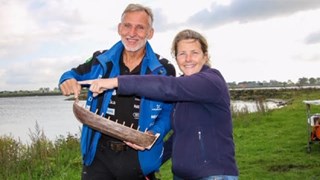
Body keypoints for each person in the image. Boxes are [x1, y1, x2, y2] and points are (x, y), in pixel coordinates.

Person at [80, 29, 239, 180]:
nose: (188, 59)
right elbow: (178, 138)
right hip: (181, 175)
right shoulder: (183, 91)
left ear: (205, 56)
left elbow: (167, 87)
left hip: (213, 174)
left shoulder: (211, 80)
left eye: (194, 53)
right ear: (176, 58)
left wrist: (115, 81)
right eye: (182, 53)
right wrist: (148, 158)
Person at [59, 3, 176, 180]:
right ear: (119, 28)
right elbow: (72, 74)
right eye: (127, 25)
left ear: (150, 33)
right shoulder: (100, 60)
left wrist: (154, 134)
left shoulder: (163, 69)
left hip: (138, 158)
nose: (132, 33)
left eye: (140, 27)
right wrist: (67, 80)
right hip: (99, 156)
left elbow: (169, 112)